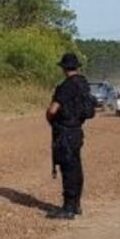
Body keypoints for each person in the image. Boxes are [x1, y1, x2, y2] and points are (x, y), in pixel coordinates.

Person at [45, 54, 94, 219]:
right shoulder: (83, 84)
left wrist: (50, 120)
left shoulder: (66, 86)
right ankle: (76, 205)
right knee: (76, 167)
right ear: (77, 67)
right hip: (77, 131)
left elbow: (52, 110)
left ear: (64, 68)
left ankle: (68, 208)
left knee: (68, 169)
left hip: (65, 132)